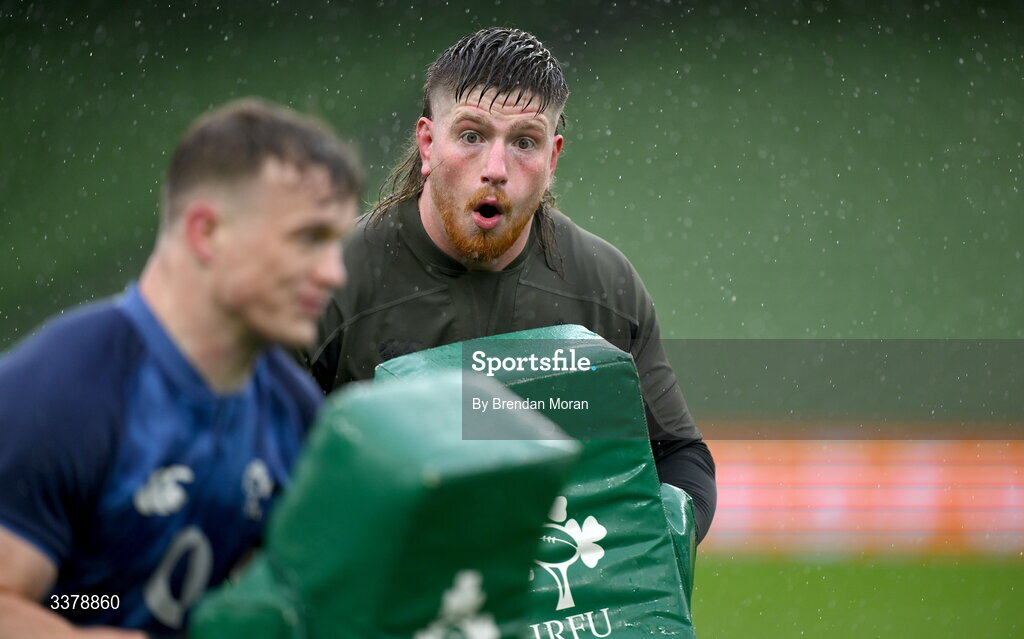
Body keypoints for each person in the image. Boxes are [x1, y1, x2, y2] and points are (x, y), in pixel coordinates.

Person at [301, 28, 717, 544]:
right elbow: (266, 468)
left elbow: (680, 458)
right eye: (472, 135)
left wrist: (649, 553)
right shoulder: (331, 281)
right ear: (428, 144)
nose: (496, 169)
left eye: (524, 142)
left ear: (552, 159)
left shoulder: (604, 285)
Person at [0, 99, 362, 637]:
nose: (334, 273)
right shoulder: (60, 393)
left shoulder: (294, 413)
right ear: (207, 233)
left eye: (339, 243)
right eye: (309, 239)